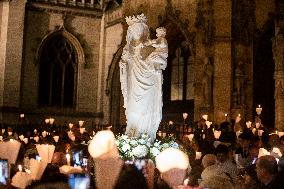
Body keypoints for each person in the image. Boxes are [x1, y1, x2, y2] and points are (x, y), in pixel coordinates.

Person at [120, 14, 167, 140]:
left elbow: (162, 60)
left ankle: (146, 133)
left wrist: (156, 65)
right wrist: (123, 64)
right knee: (134, 107)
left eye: (140, 29)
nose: (138, 32)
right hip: (134, 83)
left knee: (147, 107)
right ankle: (134, 135)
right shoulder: (127, 49)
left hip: (149, 82)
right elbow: (124, 65)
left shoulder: (151, 46)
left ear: (144, 31)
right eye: (135, 30)